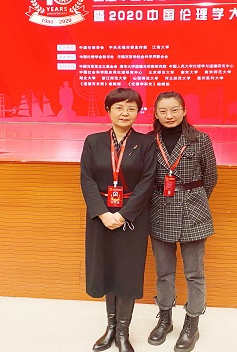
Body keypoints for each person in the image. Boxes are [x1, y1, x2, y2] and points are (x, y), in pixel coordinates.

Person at [80, 87, 157, 352]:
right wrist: (103, 213)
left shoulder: (146, 143)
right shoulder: (93, 141)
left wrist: (123, 215)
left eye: (131, 108)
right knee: (106, 268)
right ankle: (110, 328)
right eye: (119, 107)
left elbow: (148, 182)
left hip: (132, 217)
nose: (125, 113)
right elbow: (87, 179)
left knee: (127, 271)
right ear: (108, 110)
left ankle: (123, 331)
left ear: (138, 112)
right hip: (100, 215)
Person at [147, 91, 218, 352]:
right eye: (163, 111)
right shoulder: (148, 141)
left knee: (194, 273)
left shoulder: (200, 139)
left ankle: (192, 323)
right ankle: (165, 318)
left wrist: (193, 198)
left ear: (184, 111)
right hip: (160, 210)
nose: (169, 115)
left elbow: (211, 177)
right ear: (155, 114)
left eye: (174, 110)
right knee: (164, 272)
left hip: (193, 211)